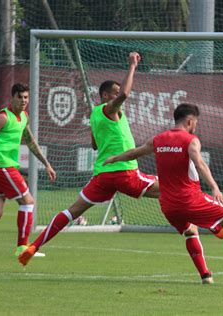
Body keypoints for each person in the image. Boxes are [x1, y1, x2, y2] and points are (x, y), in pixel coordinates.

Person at [18, 52, 160, 266]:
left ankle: (33, 246)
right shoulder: (108, 109)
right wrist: (132, 66)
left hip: (102, 176)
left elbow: (94, 145)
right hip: (125, 172)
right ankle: (213, 223)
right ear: (104, 96)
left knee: (71, 211)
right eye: (114, 93)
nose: (118, 95)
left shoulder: (96, 115)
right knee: (174, 188)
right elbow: (125, 94)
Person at [102, 103, 223, 284]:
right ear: (190, 121)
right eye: (196, 123)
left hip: (168, 206)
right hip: (189, 199)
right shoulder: (190, 140)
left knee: (191, 231)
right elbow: (200, 163)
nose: (196, 126)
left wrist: (114, 158)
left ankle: (205, 276)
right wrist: (215, 187)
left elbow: (135, 153)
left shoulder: (158, 139)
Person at [0, 83, 56, 257]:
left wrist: (46, 163)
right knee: (28, 202)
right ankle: (22, 247)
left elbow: (30, 142)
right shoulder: (3, 117)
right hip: (1, 166)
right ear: (12, 97)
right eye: (20, 97)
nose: (23, 101)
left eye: (26, 97)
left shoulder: (24, 117)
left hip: (3, 168)